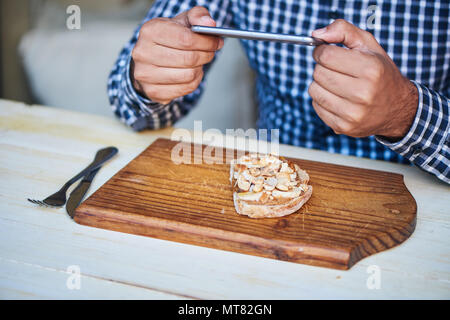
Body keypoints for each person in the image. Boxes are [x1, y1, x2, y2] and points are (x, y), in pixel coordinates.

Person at [108, 1, 449, 184]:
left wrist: (405, 111)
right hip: (265, 179)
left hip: (419, 203)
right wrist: (147, 80)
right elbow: (130, 107)